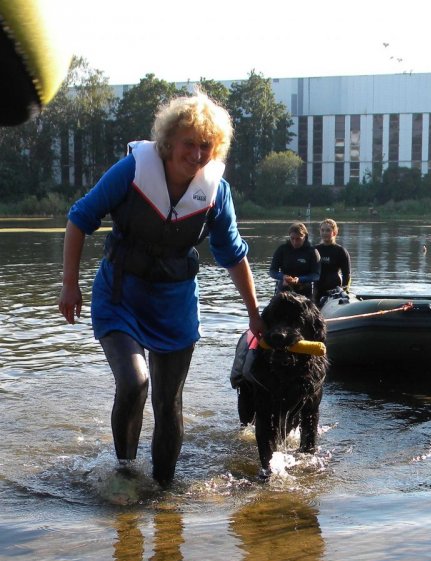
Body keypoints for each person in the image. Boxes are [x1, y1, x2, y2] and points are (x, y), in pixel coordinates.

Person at [58, 90, 264, 487]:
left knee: (168, 402)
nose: (198, 154)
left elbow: (233, 254)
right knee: (135, 383)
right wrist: (70, 284)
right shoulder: (131, 172)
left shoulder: (216, 192)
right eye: (190, 143)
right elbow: (79, 218)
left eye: (207, 145)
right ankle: (124, 474)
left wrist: (255, 314)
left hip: (174, 302)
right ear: (170, 142)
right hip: (121, 295)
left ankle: (165, 495)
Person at [268, 222, 320, 299]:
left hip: (304, 293)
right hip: (284, 290)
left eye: (298, 239)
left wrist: (299, 279)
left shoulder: (312, 252)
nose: (295, 242)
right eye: (292, 238)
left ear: (305, 237)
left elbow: (316, 275)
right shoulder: (282, 249)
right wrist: (283, 277)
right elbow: (272, 271)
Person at [314, 218, 351, 305]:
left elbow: (347, 274)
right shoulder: (315, 250)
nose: (324, 233)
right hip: (317, 289)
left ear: (334, 232)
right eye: (322, 230)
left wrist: (344, 290)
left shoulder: (341, 251)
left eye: (328, 230)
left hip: (334, 291)